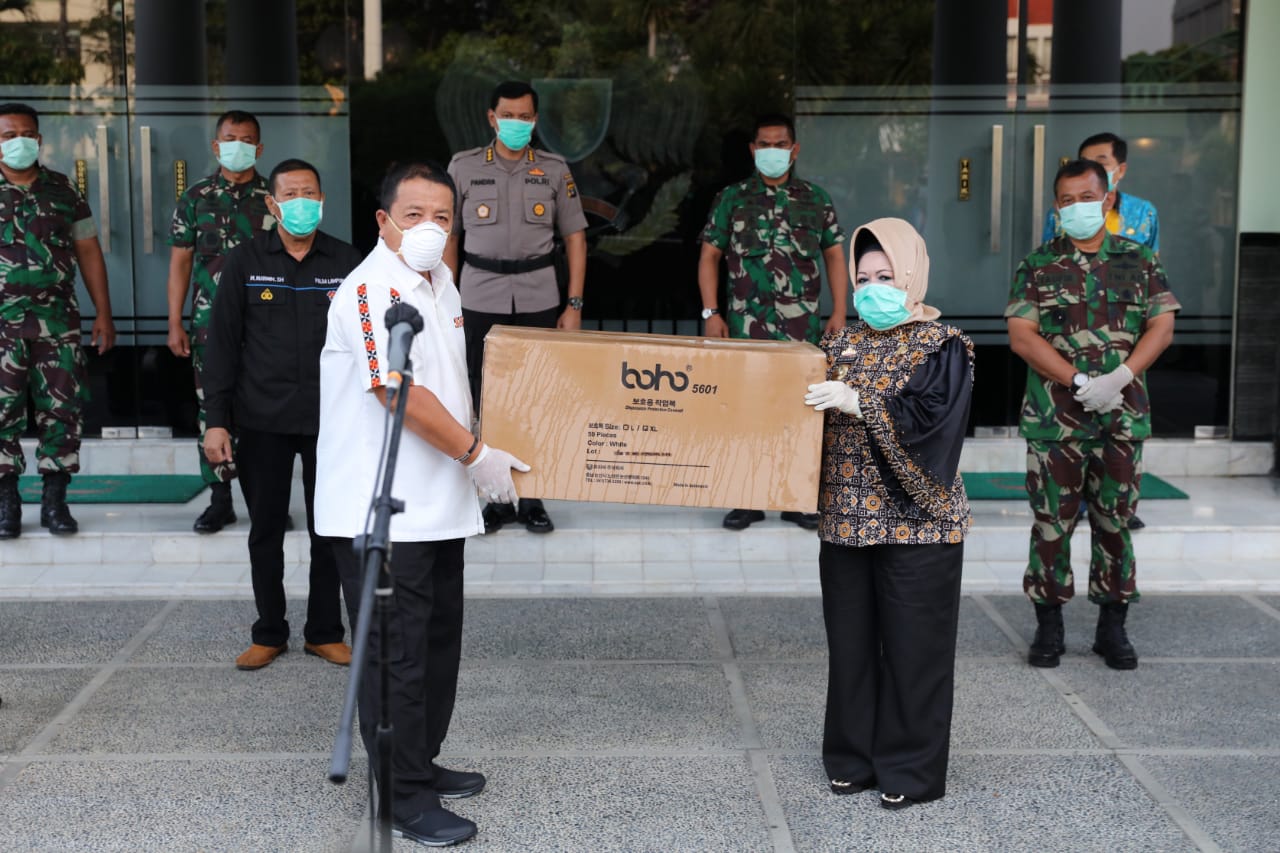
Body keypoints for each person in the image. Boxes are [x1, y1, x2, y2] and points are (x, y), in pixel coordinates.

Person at [316, 161, 529, 847]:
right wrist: (476, 454)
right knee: (395, 658)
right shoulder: (368, 290)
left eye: (442, 217)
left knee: (436, 645)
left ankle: (421, 762)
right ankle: (401, 795)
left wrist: (480, 450)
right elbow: (395, 390)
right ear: (383, 221)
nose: (430, 228)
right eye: (414, 215)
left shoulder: (441, 282)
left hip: (440, 503)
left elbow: (451, 383)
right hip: (380, 510)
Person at [802, 217, 973, 810]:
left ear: (912, 277)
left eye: (886, 276)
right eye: (863, 278)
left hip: (918, 524)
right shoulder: (835, 346)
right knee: (850, 648)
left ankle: (909, 770)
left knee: (913, 650)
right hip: (845, 521)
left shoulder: (944, 345)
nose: (873, 289)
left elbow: (934, 423)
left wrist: (862, 402)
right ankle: (852, 759)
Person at [1007, 159, 1179, 672]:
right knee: (1051, 525)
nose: (1076, 207)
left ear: (1106, 200)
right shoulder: (1038, 264)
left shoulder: (1138, 259)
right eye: (1066, 200)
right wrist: (1080, 381)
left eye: (1086, 197)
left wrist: (1120, 377)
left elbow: (1162, 325)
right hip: (1055, 420)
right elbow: (1022, 336)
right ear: (1056, 207)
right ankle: (1049, 627)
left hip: (1121, 418)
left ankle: (1112, 628)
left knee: (1115, 523)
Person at [202, 158, 361, 671]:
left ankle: (324, 632)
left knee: (329, 531)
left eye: (309, 193)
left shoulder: (347, 261)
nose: (300, 203)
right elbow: (222, 346)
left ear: (322, 199)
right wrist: (216, 420)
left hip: (331, 421)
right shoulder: (245, 261)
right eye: (290, 195)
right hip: (261, 419)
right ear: (272, 204)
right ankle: (269, 631)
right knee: (265, 530)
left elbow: (367, 343)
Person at [443, 79, 587, 535]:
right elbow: (450, 237)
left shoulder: (553, 169)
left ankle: (533, 496)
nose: (516, 123)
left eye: (525, 117)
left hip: (537, 294)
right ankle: (496, 498)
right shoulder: (464, 167)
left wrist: (574, 304)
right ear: (492, 118)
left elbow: (575, 238)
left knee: (536, 397)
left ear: (535, 120)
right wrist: (445, 300)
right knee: (484, 397)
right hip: (478, 295)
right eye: (508, 115)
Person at [700, 113, 848, 531]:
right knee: (745, 410)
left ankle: (798, 499)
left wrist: (839, 311)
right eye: (764, 144)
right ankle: (746, 499)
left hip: (802, 332)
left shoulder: (815, 199)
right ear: (752, 150)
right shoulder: (732, 198)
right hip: (747, 329)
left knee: (801, 412)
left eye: (780, 144)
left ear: (794, 149)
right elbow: (709, 256)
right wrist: (711, 312)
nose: (772, 151)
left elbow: (834, 255)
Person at [0, 102, 115, 539]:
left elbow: (88, 251)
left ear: (40, 140)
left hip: (57, 322)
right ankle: (6, 503)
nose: (19, 142)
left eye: (26, 134)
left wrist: (103, 312)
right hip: (2, 326)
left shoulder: (63, 190)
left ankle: (55, 501)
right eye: (8, 135)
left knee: (62, 411)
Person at [1043, 131, 1161, 530]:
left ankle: (1121, 506)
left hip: (1122, 336)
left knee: (1123, 435)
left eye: (1102, 161)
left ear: (1119, 170)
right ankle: (1074, 502)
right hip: (1071, 332)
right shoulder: (1059, 217)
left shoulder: (1143, 213)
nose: (1094, 167)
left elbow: (1152, 272)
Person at [167, 109, 274, 534]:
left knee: (264, 410)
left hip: (265, 324)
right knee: (212, 408)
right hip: (209, 323)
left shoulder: (274, 197)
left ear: (259, 148)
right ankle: (220, 499)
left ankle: (265, 501)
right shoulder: (196, 197)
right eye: (230, 139)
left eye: (247, 140)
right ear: (216, 146)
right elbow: (180, 263)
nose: (238, 147)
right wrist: (174, 321)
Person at [1043, 132, 1159, 251]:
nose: (1092, 171)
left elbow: (1151, 257)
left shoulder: (1144, 212)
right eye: (1085, 164)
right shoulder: (1060, 213)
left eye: (1100, 164)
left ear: (1121, 170)